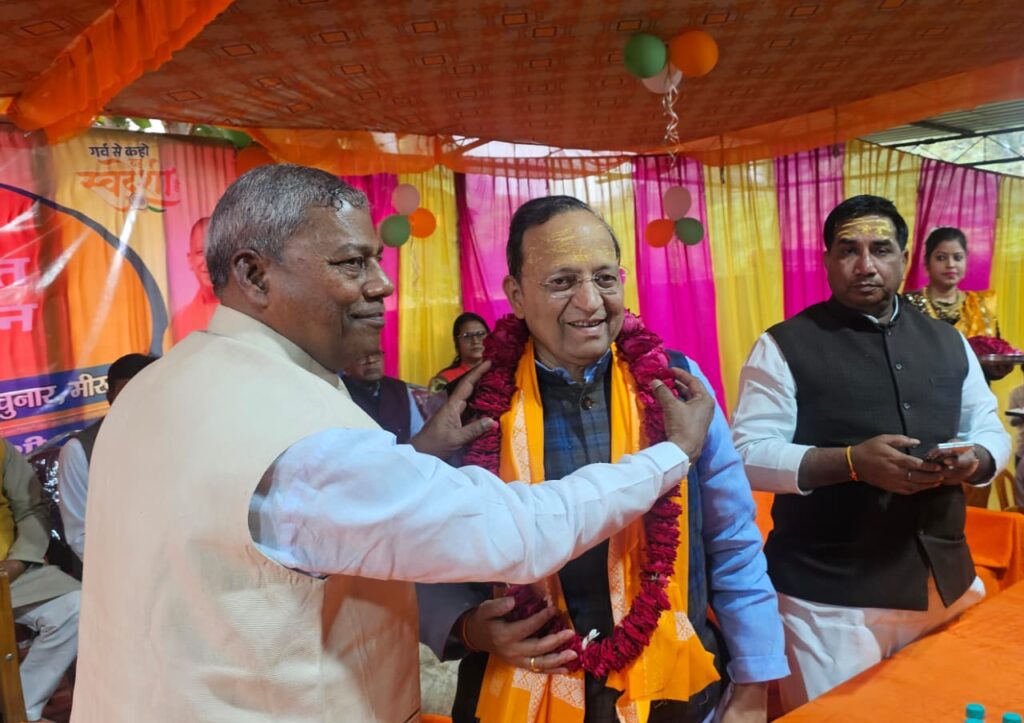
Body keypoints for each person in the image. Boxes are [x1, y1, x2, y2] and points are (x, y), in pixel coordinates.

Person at [70, 165, 717, 723]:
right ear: (254, 274)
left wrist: (419, 452)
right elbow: (516, 532)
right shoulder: (300, 428)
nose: (382, 285)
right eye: (351, 263)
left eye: (605, 277)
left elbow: (726, 537)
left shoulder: (159, 385)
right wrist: (672, 455)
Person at [419, 196, 787, 723]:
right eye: (562, 281)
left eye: (605, 278)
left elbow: (732, 541)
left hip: (676, 694)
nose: (591, 302)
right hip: (519, 696)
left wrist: (753, 686)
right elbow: (421, 549)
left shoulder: (677, 384)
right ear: (516, 295)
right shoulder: (470, 408)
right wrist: (466, 626)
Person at [731, 195, 1011, 712]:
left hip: (941, 586)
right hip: (828, 603)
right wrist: (851, 463)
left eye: (880, 249)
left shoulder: (949, 342)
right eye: (848, 250)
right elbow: (748, 453)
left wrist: (975, 458)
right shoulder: (784, 345)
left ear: (903, 258)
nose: (865, 265)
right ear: (826, 260)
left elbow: (988, 427)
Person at [1, 438, 81, 722]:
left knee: (76, 607)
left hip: (9, 572)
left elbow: (32, 509)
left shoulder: (2, 451)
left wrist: (19, 560)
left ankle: (20, 706)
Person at [57, 353, 158, 563]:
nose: (137, 402)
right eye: (127, 394)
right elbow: (80, 536)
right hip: (114, 566)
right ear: (109, 396)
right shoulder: (78, 451)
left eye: (146, 392)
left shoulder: (175, 438)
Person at [904, 227, 1012, 382]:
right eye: (941, 258)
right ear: (927, 263)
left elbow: (993, 359)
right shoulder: (908, 304)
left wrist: (998, 369)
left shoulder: (981, 305)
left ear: (966, 262)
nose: (950, 264)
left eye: (958, 258)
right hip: (923, 390)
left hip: (974, 392)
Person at [341, 351, 425, 444]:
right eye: (361, 356)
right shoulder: (338, 392)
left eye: (376, 353)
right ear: (346, 365)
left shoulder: (400, 389)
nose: (371, 360)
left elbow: (418, 433)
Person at [170, 216, 218, 338]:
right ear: (190, 260)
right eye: (200, 253)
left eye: (213, 251)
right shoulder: (180, 322)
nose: (207, 261)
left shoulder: (245, 311)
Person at [429, 312, 490, 393]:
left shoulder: (501, 373)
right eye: (467, 336)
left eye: (480, 334)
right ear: (457, 341)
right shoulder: (444, 379)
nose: (475, 341)